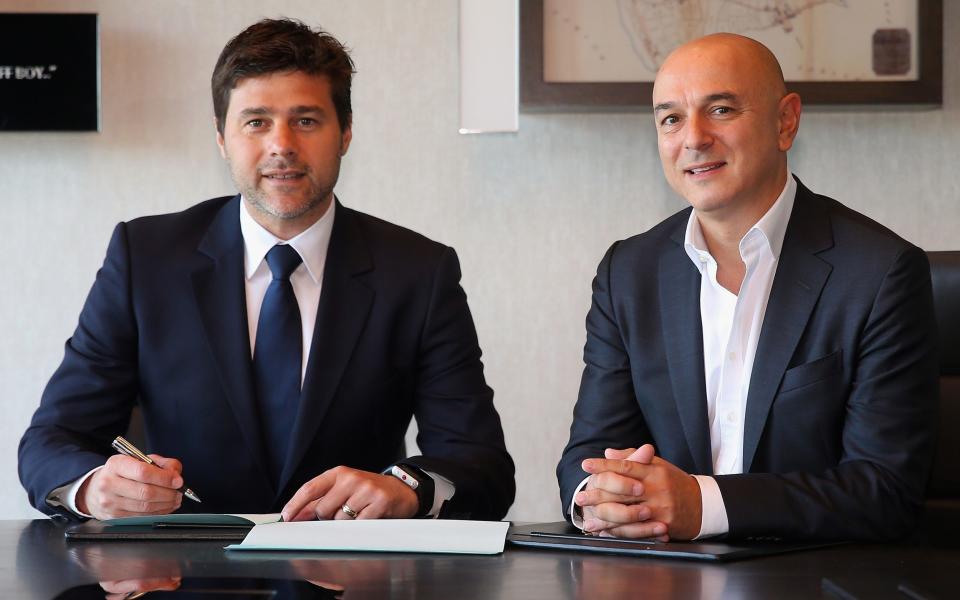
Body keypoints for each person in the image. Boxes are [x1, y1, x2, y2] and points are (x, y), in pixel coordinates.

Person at [19, 18, 514, 523]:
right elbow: (52, 440)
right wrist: (92, 488)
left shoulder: (417, 272)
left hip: (351, 573)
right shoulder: (145, 258)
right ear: (221, 138)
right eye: (256, 122)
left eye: (306, 121)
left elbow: (482, 466)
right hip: (182, 576)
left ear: (345, 133)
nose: (282, 146)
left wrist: (407, 488)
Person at [557, 33, 937, 541]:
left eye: (720, 110)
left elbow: (884, 488)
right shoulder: (628, 272)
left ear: (786, 122)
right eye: (670, 118)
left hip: (811, 579)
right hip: (662, 578)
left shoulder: (880, 272)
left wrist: (703, 506)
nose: (692, 138)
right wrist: (602, 500)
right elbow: (589, 451)